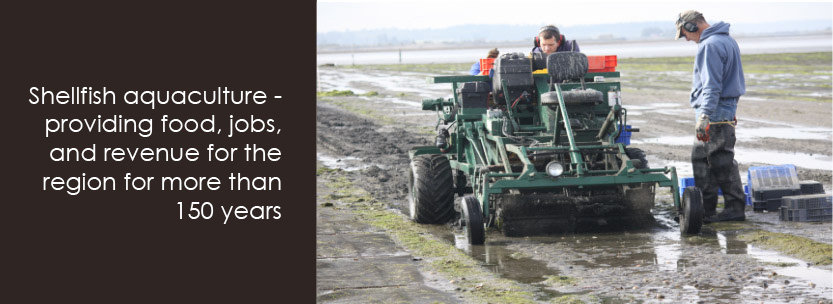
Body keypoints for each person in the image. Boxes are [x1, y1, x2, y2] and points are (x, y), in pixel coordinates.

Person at [676, 10, 746, 223]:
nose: (686, 39)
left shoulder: (709, 45)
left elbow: (712, 85)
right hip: (722, 107)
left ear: (691, 27)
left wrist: (705, 115)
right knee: (703, 159)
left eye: (684, 34)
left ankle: (734, 209)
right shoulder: (726, 40)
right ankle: (705, 209)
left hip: (714, 110)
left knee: (720, 159)